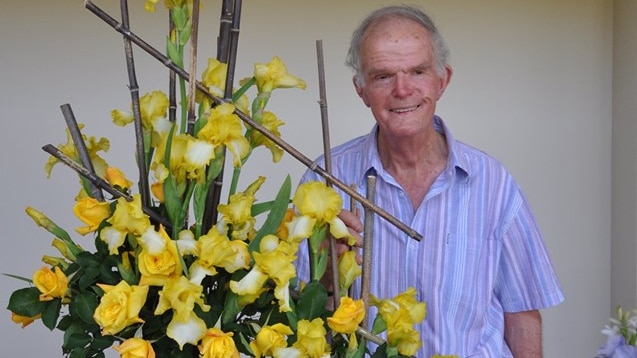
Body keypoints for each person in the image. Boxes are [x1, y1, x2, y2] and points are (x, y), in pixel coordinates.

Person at [295, 4, 565, 357]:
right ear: (361, 90)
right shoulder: (325, 182)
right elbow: (298, 314)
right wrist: (328, 274)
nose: (403, 90)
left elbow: (523, 313)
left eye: (418, 71)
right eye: (382, 76)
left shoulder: (493, 183)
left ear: (442, 80)